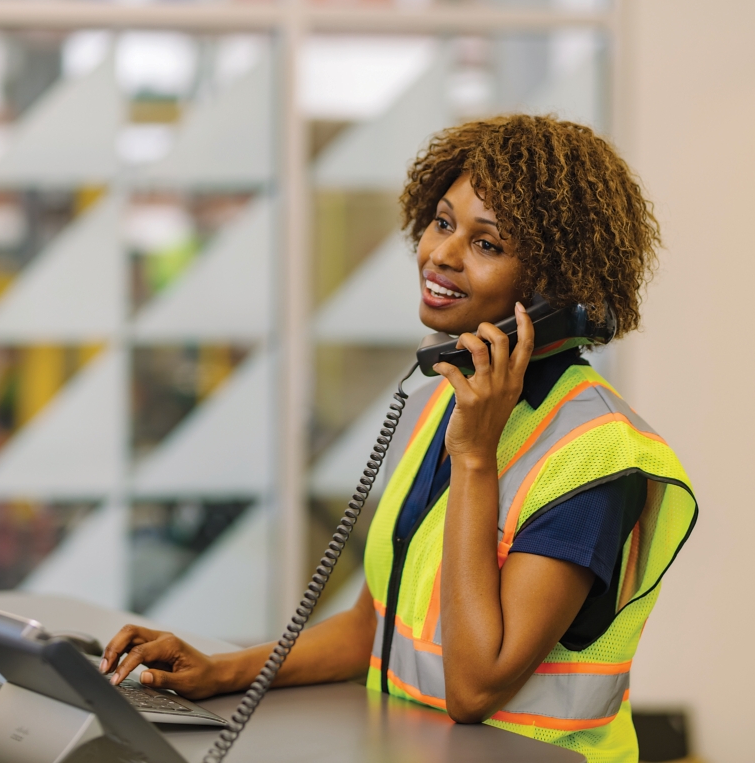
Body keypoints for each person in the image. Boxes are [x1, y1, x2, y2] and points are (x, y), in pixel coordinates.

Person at [100, 115, 698, 763]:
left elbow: (475, 686)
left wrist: (475, 460)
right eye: (443, 222)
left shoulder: (594, 455)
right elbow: (370, 626)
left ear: (555, 287)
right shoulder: (451, 400)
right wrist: (222, 671)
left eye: (486, 244)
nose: (441, 254)